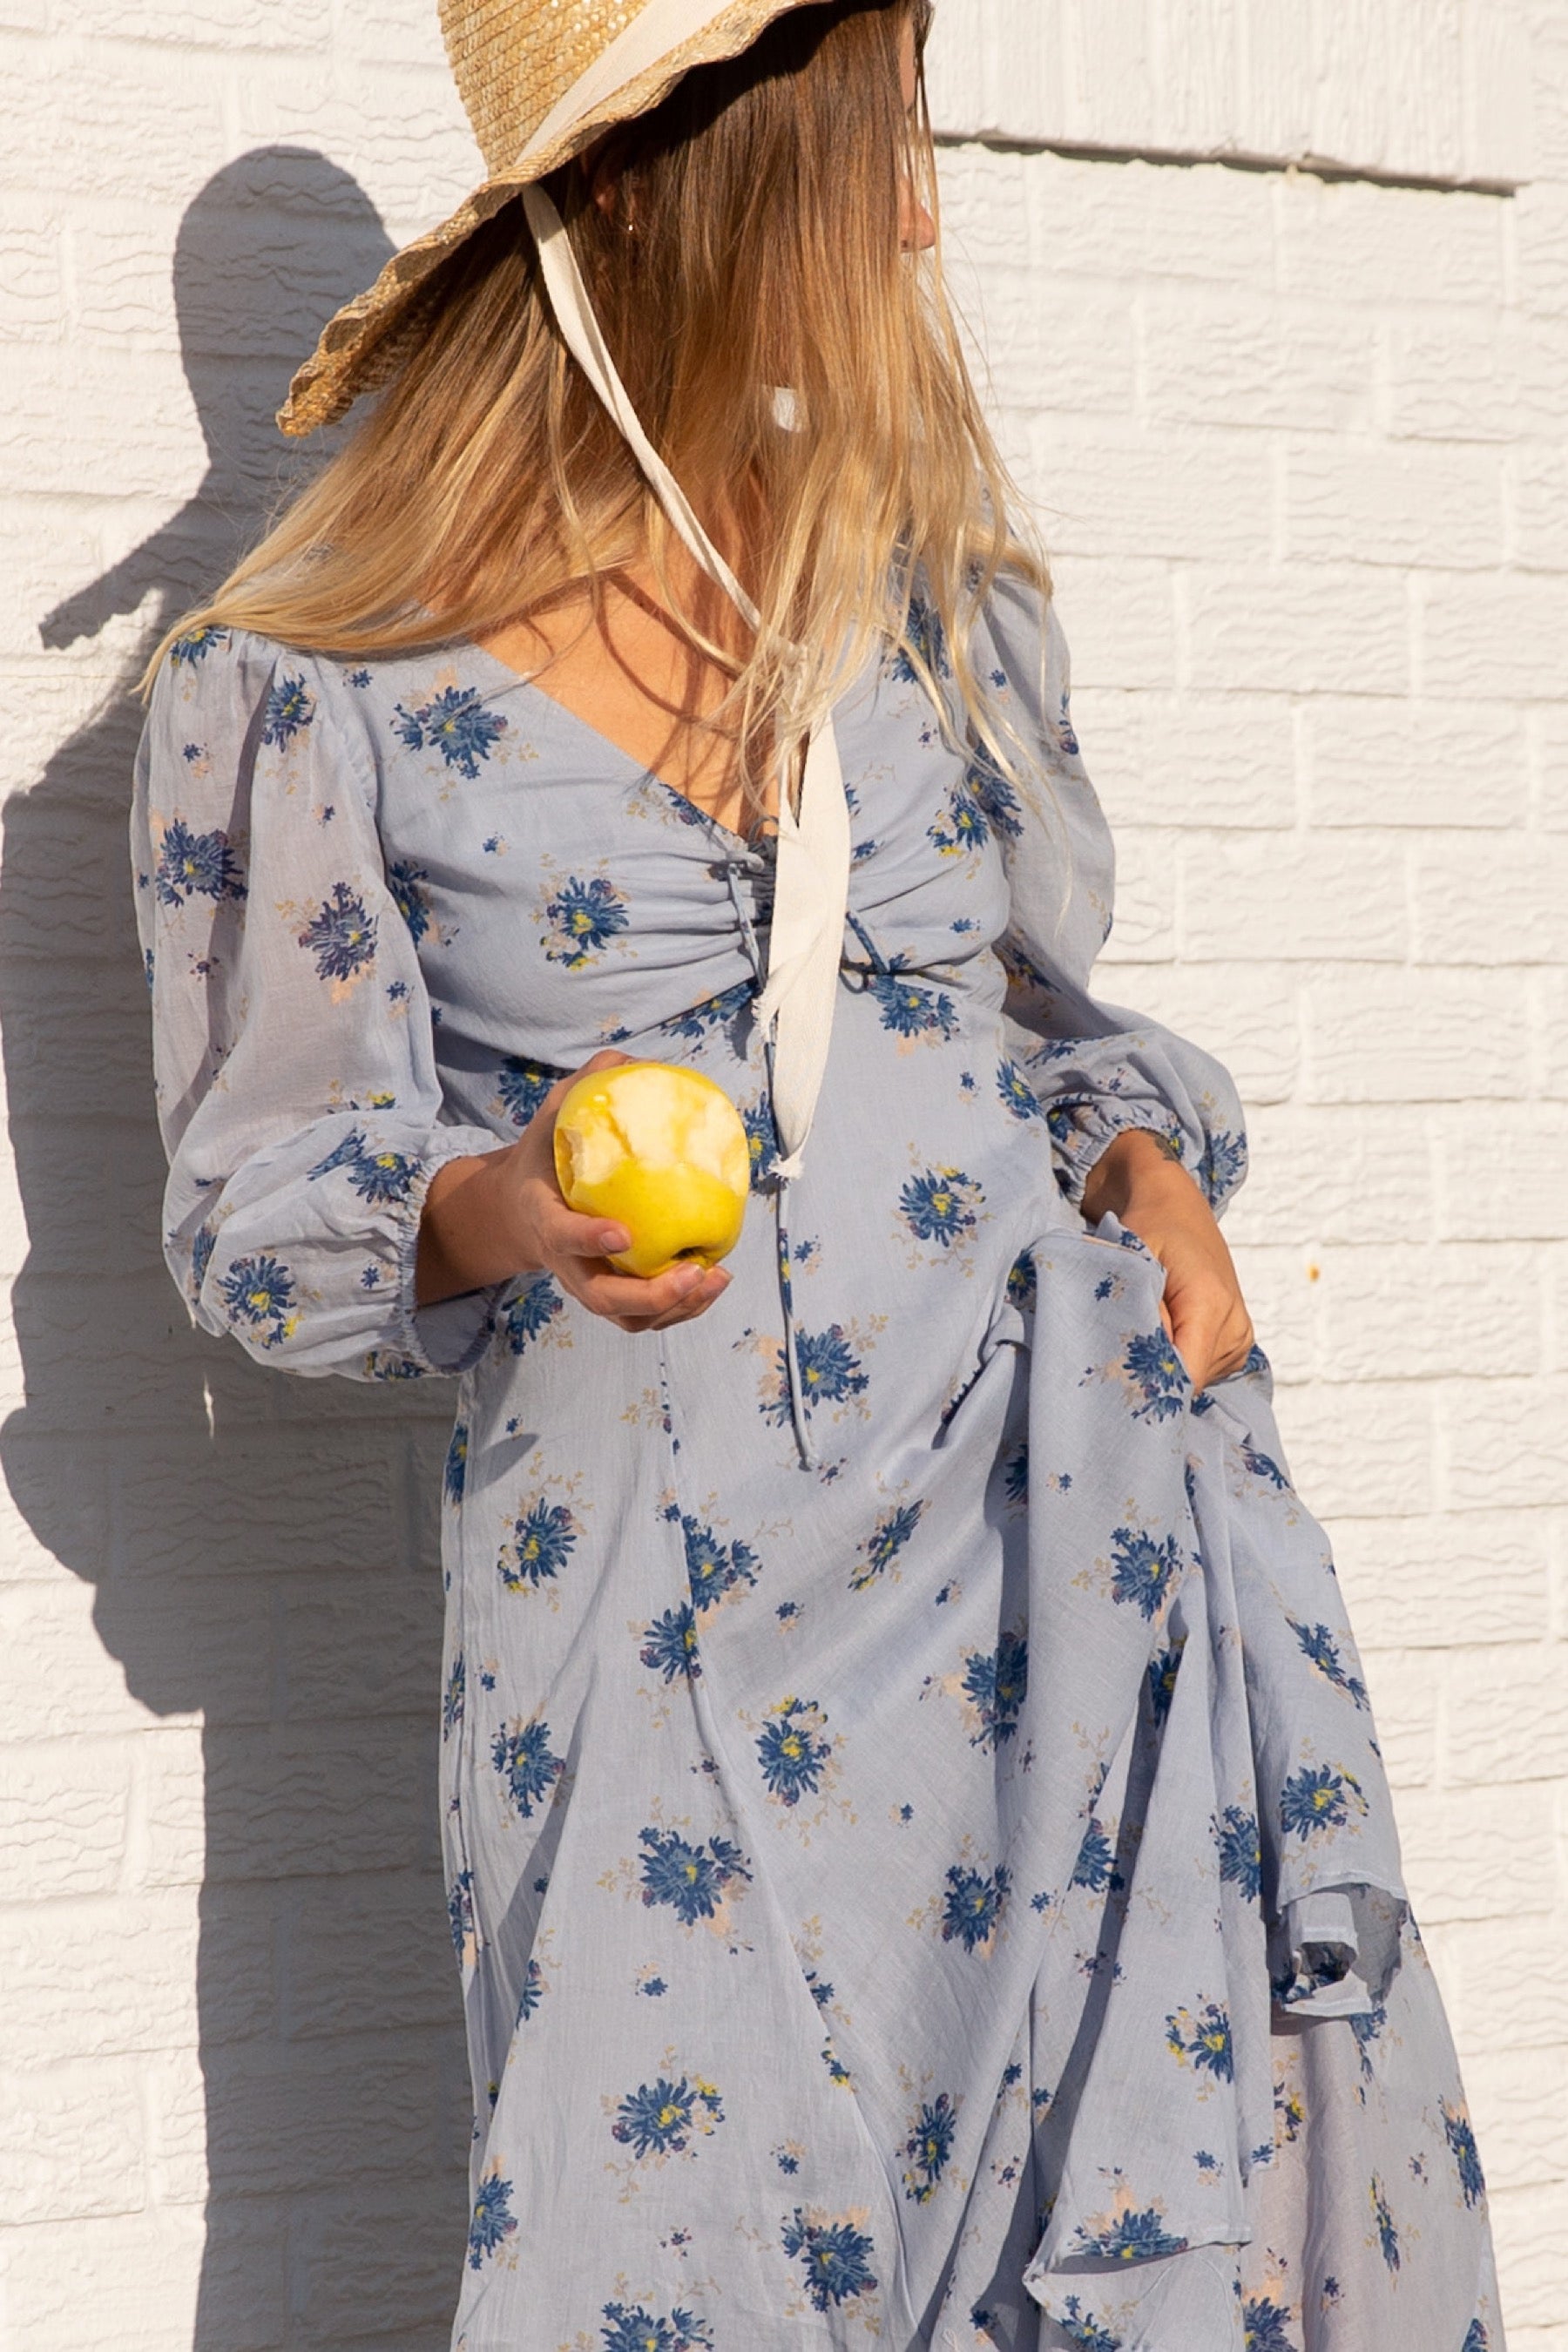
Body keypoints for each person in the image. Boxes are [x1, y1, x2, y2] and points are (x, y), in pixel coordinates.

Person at [132, 3, 1504, 2346]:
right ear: (679, 180)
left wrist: (1148, 1173)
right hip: (660, 1589)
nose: (924, 215)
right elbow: (263, 1208)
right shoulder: (308, 680)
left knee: (1120, 2206)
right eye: (879, 142)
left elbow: (1033, 1023)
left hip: (1052, 1528)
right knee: (677, 2229)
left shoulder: (928, 598)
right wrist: (506, 1206)